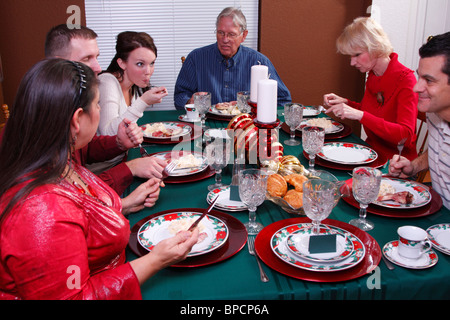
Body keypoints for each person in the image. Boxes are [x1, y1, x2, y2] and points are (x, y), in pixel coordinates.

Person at [0, 59, 198, 299]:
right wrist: (156, 260)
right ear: (76, 120)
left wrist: (124, 204)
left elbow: (80, 214)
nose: (101, 110)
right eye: (98, 104)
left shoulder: (56, 157)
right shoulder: (41, 210)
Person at [45, 25, 167, 195]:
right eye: (87, 58)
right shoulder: (45, 119)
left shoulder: (66, 103)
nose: (97, 67)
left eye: (97, 57)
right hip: (102, 176)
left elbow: (85, 151)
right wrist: (129, 169)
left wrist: (119, 143)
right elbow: (75, 195)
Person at [322, 17, 419, 161]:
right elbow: (375, 114)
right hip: (371, 152)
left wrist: (359, 115)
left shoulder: (406, 80)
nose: (352, 62)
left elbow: (405, 136)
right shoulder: (373, 75)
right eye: (351, 56)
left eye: (357, 55)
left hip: (396, 162)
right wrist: (347, 103)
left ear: (375, 47)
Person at [174, 7, 291, 110]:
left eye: (231, 34)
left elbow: (283, 100)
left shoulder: (259, 62)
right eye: (221, 33)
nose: (225, 40)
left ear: (244, 35)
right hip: (206, 124)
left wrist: (258, 108)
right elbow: (180, 96)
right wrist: (189, 102)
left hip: (246, 126)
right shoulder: (196, 58)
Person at [389, 32, 450, 210]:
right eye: (419, 76)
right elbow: (440, 150)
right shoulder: (434, 112)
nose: (416, 87)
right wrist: (413, 167)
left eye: (429, 81)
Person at [97, 31, 168, 136]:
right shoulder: (107, 81)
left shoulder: (133, 84)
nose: (148, 71)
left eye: (152, 63)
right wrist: (143, 102)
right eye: (140, 64)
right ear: (122, 63)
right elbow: (107, 134)